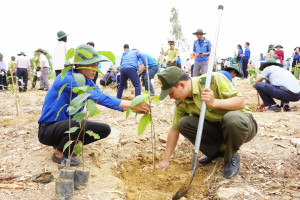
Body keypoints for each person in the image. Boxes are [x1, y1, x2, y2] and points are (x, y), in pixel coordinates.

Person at [38, 44, 150, 166]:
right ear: (80, 65)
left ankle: (65, 145)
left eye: (96, 66)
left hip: (65, 127)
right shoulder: (68, 78)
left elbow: (100, 95)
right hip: (48, 130)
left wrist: (133, 108)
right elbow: (98, 97)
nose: (95, 70)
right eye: (91, 65)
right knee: (77, 123)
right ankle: (59, 153)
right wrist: (133, 104)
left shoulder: (87, 80)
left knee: (104, 130)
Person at [156, 67, 257, 179]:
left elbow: (241, 102)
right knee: (184, 123)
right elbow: (174, 130)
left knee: (231, 119)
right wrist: (165, 160)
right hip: (218, 129)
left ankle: (231, 156)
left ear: (182, 85)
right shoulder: (182, 102)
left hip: (242, 125)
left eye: (171, 93)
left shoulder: (212, 80)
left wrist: (214, 102)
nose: (170, 97)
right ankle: (218, 152)